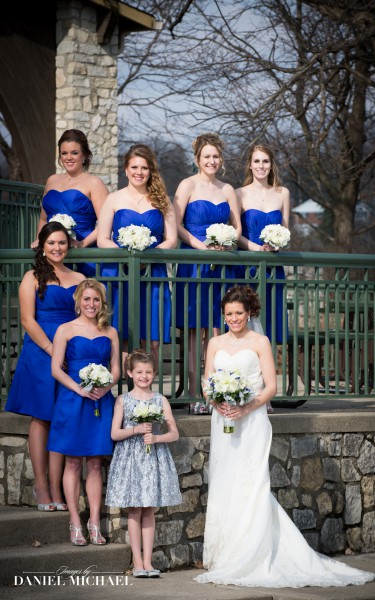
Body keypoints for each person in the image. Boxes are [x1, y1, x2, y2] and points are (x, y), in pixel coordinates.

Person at [195, 285, 375, 588]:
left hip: (252, 420)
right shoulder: (215, 343)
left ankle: (252, 553)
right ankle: (224, 553)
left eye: (239, 313)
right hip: (223, 420)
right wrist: (218, 403)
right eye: (229, 314)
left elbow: (270, 386)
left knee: (251, 483)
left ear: (249, 313)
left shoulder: (260, 342)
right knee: (224, 480)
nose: (234, 318)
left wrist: (246, 407)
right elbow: (207, 382)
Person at [5, 222, 85, 511]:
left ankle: (56, 487)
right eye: (51, 243)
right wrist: (53, 351)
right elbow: (28, 320)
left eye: (61, 242)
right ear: (41, 246)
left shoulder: (79, 277)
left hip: (71, 350)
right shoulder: (31, 277)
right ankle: (41, 486)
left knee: (61, 416)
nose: (57, 248)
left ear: (69, 245)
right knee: (40, 418)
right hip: (41, 350)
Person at [47, 279, 120, 545]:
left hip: (100, 401)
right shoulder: (65, 330)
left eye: (96, 299)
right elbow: (56, 369)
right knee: (73, 462)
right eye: (87, 299)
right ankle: (75, 522)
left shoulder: (110, 332)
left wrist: (106, 387)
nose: (91, 304)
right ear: (78, 301)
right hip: (73, 399)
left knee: (95, 464)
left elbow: (116, 369)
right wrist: (78, 389)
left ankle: (94, 522)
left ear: (102, 303)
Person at [173, 133, 241, 404]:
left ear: (221, 160)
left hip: (221, 265)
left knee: (217, 328)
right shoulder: (187, 185)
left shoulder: (228, 190)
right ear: (197, 159)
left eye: (216, 156)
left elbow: (237, 228)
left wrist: (227, 242)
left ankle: (215, 390)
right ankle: (193, 393)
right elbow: (176, 224)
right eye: (207, 157)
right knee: (194, 328)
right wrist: (201, 247)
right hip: (193, 261)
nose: (212, 161)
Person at [97, 144, 177, 365]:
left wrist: (149, 254)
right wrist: (128, 254)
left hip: (153, 273)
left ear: (150, 171)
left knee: (153, 337)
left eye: (144, 168)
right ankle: (124, 384)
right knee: (122, 333)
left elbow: (171, 240)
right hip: (119, 274)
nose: (139, 172)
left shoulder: (162, 200)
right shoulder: (113, 199)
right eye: (134, 167)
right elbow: (102, 239)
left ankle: (149, 384)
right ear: (126, 169)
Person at [105, 349, 182, 577]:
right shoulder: (123, 400)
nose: (144, 376)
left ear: (154, 374)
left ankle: (148, 562)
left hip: (152, 459)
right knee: (135, 509)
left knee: (149, 509)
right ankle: (137, 563)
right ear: (129, 373)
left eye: (148, 372)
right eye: (139, 372)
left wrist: (157, 438)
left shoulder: (160, 400)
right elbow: (114, 433)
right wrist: (136, 429)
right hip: (131, 460)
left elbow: (174, 433)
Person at [237, 144, 291, 413]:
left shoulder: (283, 193)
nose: (261, 166)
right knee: (248, 327)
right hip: (247, 268)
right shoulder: (239, 193)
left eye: (265, 161)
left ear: (271, 165)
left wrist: (277, 243)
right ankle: (247, 390)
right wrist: (257, 248)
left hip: (273, 270)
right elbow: (236, 233)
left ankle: (265, 393)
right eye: (257, 161)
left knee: (267, 330)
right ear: (250, 164)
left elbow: (286, 230)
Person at [32, 128, 109, 277]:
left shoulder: (94, 183)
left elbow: (106, 223)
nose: (69, 158)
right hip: (53, 255)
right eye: (64, 153)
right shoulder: (51, 180)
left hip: (83, 256)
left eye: (74, 153)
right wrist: (40, 240)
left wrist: (82, 243)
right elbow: (43, 219)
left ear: (84, 155)